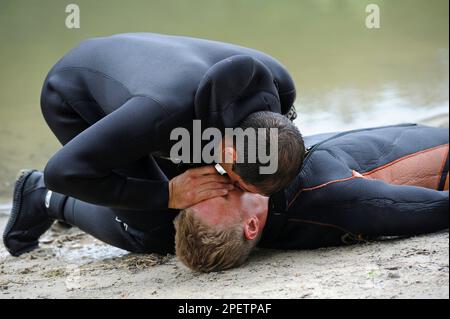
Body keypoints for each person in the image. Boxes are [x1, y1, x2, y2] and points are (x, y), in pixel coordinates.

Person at [3, 33, 306, 257]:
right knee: (156, 230)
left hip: (158, 90)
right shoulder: (164, 116)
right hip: (76, 96)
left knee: (187, 199)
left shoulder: (280, 87)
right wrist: (167, 193)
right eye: (239, 184)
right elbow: (62, 171)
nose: (233, 188)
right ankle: (41, 195)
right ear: (228, 151)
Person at [174, 124, 449, 272]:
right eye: (223, 195)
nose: (217, 182)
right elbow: (433, 208)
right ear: (251, 226)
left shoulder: (266, 220)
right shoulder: (327, 193)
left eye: (199, 195)